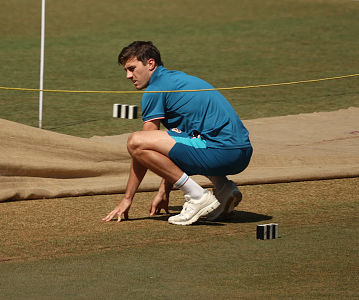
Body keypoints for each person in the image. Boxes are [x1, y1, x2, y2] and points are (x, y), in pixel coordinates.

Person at [103, 41, 253, 225]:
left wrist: (127, 199)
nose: (128, 76)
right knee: (179, 140)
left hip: (222, 153)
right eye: (126, 70)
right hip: (241, 153)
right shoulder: (177, 79)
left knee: (136, 141)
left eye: (132, 68)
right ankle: (223, 188)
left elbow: (142, 148)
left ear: (150, 63)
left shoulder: (155, 89)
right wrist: (163, 191)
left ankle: (198, 196)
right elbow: (174, 147)